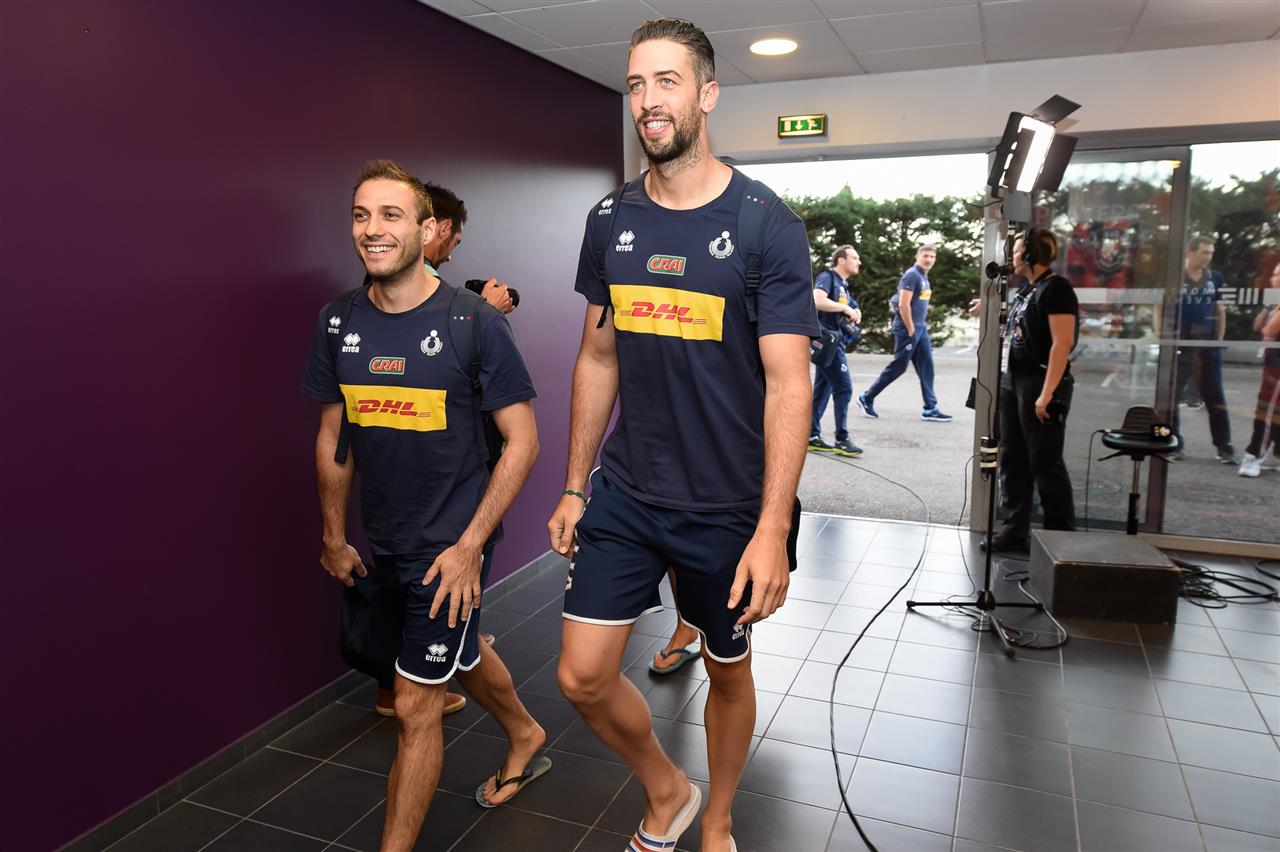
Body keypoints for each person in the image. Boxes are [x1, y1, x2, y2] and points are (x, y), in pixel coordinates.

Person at [545, 19, 816, 852]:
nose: (648, 100)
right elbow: (598, 358)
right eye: (636, 84)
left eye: (667, 81)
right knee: (581, 676)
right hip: (629, 489)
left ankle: (719, 818)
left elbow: (789, 384)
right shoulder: (609, 219)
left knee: (727, 672)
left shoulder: (767, 224)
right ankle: (668, 790)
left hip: (726, 504)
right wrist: (574, 483)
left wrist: (771, 527)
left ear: (706, 94)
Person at [301, 160, 549, 851]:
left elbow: (523, 441)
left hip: (452, 543)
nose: (372, 229)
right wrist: (333, 536)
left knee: (415, 704)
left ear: (427, 229)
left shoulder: (474, 322)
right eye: (361, 215)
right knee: (459, 655)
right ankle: (526, 731)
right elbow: (333, 439)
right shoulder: (337, 321)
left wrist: (470, 547)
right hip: (387, 536)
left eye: (390, 215)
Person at [988, 228, 1079, 553]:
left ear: (1030, 254)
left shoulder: (1057, 289)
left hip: (1040, 382)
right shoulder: (1029, 290)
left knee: (1045, 462)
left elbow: (1062, 343)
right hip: (1014, 381)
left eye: (1017, 250)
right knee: (1013, 457)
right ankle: (1014, 531)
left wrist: (1047, 392)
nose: (1012, 256)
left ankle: (1059, 542)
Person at [858, 245, 953, 422]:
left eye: (932, 257)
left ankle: (930, 408)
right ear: (918, 257)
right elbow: (903, 304)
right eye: (925, 256)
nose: (929, 259)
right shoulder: (912, 275)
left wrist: (918, 328)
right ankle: (867, 397)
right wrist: (910, 328)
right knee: (899, 367)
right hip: (908, 330)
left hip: (920, 329)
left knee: (926, 367)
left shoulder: (924, 277)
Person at [1172, 236, 1237, 463]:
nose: (1208, 257)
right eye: (1204, 252)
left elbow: (1220, 310)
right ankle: (1174, 443)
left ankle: (1224, 446)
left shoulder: (1215, 278)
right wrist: (1164, 338)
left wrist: (1218, 341)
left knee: (1215, 397)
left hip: (1207, 347)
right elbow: (1161, 308)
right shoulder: (1175, 277)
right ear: (1190, 253)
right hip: (1180, 345)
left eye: (1211, 253)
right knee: (1171, 397)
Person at [422, 181, 516, 315]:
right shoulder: (427, 285)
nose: (449, 258)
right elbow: (434, 325)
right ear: (444, 229)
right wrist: (488, 310)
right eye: (455, 243)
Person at [808, 245, 864, 457]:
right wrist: (845, 308)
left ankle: (811, 435)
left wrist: (853, 311)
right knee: (844, 388)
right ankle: (842, 439)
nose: (858, 262)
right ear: (841, 260)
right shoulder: (828, 277)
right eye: (854, 258)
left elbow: (846, 308)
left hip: (834, 343)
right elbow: (817, 300)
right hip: (829, 342)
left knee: (823, 389)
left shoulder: (842, 285)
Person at [1239, 263, 1280, 478]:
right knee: (1272, 410)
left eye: (1278, 275)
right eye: (1273, 274)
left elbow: (1269, 330)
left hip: (1277, 365)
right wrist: (1268, 308)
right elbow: (1257, 326)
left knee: (1267, 410)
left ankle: (1254, 455)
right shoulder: (1275, 303)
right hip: (1272, 362)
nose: (1273, 279)